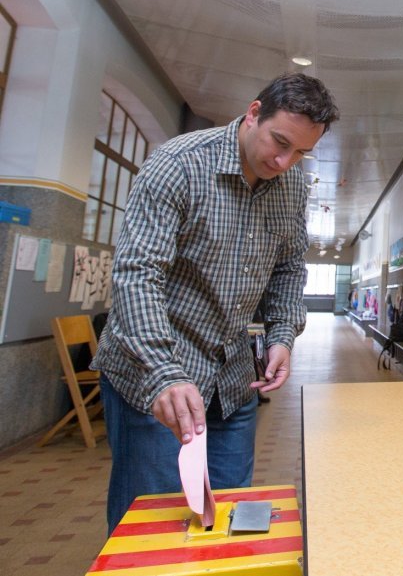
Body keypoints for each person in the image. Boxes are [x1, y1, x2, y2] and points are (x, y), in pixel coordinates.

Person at [93, 72, 339, 533]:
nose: (285, 161)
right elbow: (136, 274)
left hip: (231, 379)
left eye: (301, 153)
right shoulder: (178, 164)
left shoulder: (291, 187)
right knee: (155, 526)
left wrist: (282, 336)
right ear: (252, 114)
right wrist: (164, 374)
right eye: (280, 142)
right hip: (156, 375)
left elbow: (288, 269)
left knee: (229, 520)